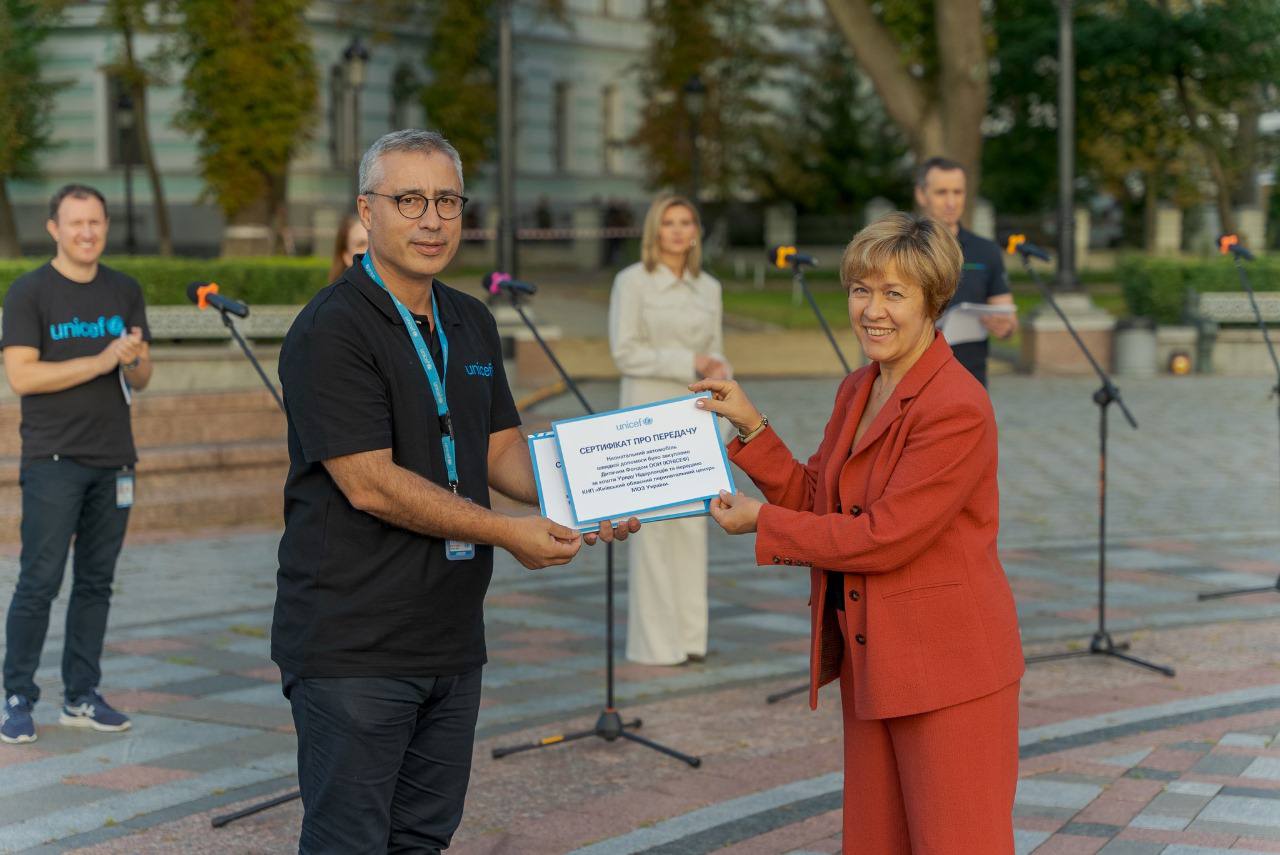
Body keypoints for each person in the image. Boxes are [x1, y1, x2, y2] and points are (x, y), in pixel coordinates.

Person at [273, 129, 637, 854]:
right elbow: (369, 483)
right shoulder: (331, 329)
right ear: (366, 211)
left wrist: (587, 493)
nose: (432, 219)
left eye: (446, 200)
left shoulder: (469, 319)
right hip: (354, 644)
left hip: (450, 637)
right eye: (409, 199)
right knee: (349, 841)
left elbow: (499, 449)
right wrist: (508, 531)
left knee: (422, 838)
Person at [693, 212, 1024, 853]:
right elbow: (822, 502)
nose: (872, 310)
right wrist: (752, 426)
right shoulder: (860, 387)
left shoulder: (957, 403)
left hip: (950, 671)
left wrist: (763, 522)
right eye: (861, 290)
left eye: (894, 293)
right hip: (879, 662)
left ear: (934, 302)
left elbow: (884, 537)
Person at [1, 185, 152, 745]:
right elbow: (23, 376)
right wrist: (101, 359)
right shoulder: (29, 292)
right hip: (54, 461)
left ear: (106, 227)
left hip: (114, 460)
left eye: (96, 223)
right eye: (75, 223)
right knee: (39, 581)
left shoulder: (124, 289)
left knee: (96, 583)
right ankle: (17, 695)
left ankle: (81, 695)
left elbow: (142, 375)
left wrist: (133, 361)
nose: (87, 232)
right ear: (53, 229)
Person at [608, 194, 729, 666]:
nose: (678, 231)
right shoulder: (632, 282)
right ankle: (657, 645)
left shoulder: (710, 288)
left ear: (696, 231)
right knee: (653, 531)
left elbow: (717, 350)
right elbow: (625, 352)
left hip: (692, 415)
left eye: (687, 222)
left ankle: (691, 637)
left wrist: (717, 370)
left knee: (691, 526)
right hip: (645, 415)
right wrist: (688, 361)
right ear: (655, 231)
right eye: (669, 223)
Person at [914, 156, 1018, 387]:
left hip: (969, 376)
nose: (951, 202)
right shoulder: (904, 249)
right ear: (922, 195)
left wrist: (1004, 325)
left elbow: (1007, 318)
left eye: (958, 192)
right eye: (942, 192)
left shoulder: (987, 250)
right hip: (914, 373)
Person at [327, 213, 369, 282]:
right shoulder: (335, 292)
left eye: (374, 242)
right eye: (361, 244)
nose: (370, 249)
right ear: (346, 256)